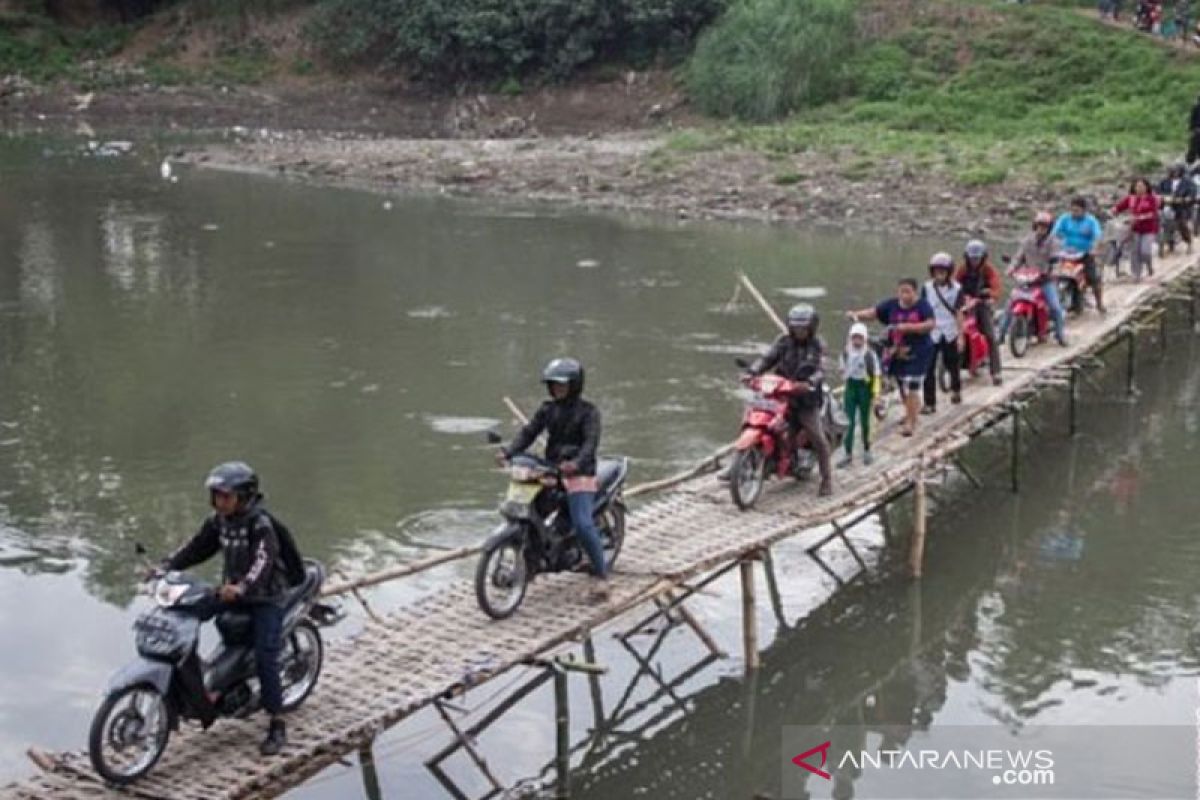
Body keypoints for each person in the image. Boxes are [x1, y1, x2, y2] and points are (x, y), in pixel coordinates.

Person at [162, 462, 303, 756]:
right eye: (216, 496)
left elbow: (262, 563)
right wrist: (166, 566)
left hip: (265, 596)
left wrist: (242, 587)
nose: (220, 502)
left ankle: (277, 723)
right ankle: (201, 680)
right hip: (233, 592)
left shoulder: (260, 524)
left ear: (245, 496)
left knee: (267, 657)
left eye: (226, 496)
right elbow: (197, 547)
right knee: (187, 610)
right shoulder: (219, 521)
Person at [497, 357, 610, 597]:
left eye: (562, 385)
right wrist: (508, 452)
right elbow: (529, 433)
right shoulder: (547, 409)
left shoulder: (589, 413)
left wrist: (576, 464)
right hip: (551, 468)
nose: (557, 389)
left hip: (579, 472)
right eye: (553, 385)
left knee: (582, 523)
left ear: (574, 385)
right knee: (531, 510)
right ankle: (533, 560)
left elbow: (591, 444)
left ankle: (601, 576)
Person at [746, 304, 833, 496]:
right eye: (795, 327)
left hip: (805, 399)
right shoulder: (783, 341)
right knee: (763, 421)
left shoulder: (818, 345)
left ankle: (827, 479)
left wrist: (810, 381)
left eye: (803, 327)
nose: (799, 331)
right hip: (780, 394)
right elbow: (768, 358)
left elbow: (822, 368)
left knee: (816, 436)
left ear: (811, 327)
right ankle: (748, 461)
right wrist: (752, 371)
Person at [847, 279, 936, 438]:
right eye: (901, 291)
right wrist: (856, 315)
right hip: (897, 351)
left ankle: (911, 422)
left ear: (915, 292)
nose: (904, 295)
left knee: (911, 385)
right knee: (901, 383)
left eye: (908, 292)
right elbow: (874, 313)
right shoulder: (892, 305)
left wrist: (909, 327)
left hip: (918, 351)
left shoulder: (923, 306)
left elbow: (930, 324)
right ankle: (910, 412)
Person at [1000, 210, 1068, 347]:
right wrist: (1011, 269)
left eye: (1044, 227)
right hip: (1027, 280)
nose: (1041, 229)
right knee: (1009, 305)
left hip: (1045, 281)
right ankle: (1000, 334)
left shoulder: (1053, 242)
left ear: (1049, 228)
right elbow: (1018, 258)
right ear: (1034, 226)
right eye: (1039, 226)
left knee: (1055, 307)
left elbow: (1056, 260)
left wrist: (1053, 271)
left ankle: (1060, 335)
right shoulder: (1027, 241)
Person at [954, 239, 1004, 385]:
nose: (974, 261)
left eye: (977, 258)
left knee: (989, 334)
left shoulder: (988, 270)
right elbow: (953, 284)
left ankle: (996, 372)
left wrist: (991, 295)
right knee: (953, 332)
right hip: (964, 304)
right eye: (972, 258)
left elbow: (996, 287)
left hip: (981, 304)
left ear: (983, 257)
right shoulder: (962, 269)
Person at [921, 252, 966, 414]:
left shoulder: (957, 289)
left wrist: (961, 336)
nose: (939, 275)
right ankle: (929, 403)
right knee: (928, 368)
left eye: (942, 271)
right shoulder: (926, 288)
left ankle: (956, 390)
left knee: (952, 364)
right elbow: (923, 309)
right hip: (932, 331)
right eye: (936, 271)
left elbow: (960, 313)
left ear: (949, 272)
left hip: (949, 331)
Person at [1051, 197, 1106, 313]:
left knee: (1093, 278)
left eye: (1077, 211)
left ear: (1084, 210)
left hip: (1084, 254)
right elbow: (1054, 233)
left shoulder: (1091, 221)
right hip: (1067, 253)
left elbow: (1097, 236)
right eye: (1072, 210)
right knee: (1057, 275)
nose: (1074, 213)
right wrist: (1054, 244)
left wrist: (1095, 248)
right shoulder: (1065, 219)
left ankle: (1099, 304)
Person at [838, 322, 880, 468]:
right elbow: (842, 371)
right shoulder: (845, 353)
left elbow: (876, 376)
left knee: (865, 421)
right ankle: (847, 453)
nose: (857, 341)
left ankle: (867, 449)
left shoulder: (869, 355)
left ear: (865, 339)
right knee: (847, 422)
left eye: (860, 338)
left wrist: (876, 394)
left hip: (865, 388)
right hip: (851, 388)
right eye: (854, 338)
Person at [1113, 177, 1161, 281]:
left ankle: (1149, 265)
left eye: (1142, 186)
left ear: (1147, 187)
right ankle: (1136, 274)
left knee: (1145, 251)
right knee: (1134, 251)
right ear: (1134, 188)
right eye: (1137, 186)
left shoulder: (1152, 198)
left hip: (1148, 229)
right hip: (1134, 229)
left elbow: (1153, 213)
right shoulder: (1131, 198)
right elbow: (1119, 207)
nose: (1139, 189)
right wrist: (1114, 210)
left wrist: (1140, 217)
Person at [1156, 164, 1193, 256]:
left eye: (1176, 171)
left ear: (1181, 171)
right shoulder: (1164, 182)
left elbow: (1192, 193)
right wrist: (1160, 197)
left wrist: (1186, 198)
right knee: (1162, 224)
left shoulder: (1187, 182)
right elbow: (1157, 191)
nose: (1174, 173)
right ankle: (1167, 243)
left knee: (1182, 225)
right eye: (1172, 171)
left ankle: (1189, 242)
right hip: (1166, 205)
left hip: (1181, 207)